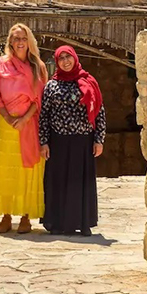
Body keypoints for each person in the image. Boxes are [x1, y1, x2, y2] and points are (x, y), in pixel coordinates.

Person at [0, 23, 47, 234]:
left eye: (23, 38)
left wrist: (25, 118)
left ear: (29, 41)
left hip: (29, 124)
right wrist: (8, 117)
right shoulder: (0, 65)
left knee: (27, 171)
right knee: (4, 170)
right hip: (5, 124)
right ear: (10, 41)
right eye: (16, 38)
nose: (20, 42)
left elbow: (39, 97)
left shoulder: (38, 66)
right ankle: (6, 215)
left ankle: (25, 216)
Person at [39, 45, 106, 237]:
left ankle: (83, 223)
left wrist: (99, 139)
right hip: (57, 141)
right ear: (57, 61)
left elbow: (99, 111)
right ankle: (58, 223)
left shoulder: (89, 82)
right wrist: (43, 142)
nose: (66, 61)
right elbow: (44, 115)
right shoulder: (51, 85)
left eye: (69, 57)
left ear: (75, 58)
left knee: (81, 183)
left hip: (83, 141)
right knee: (58, 183)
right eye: (61, 58)